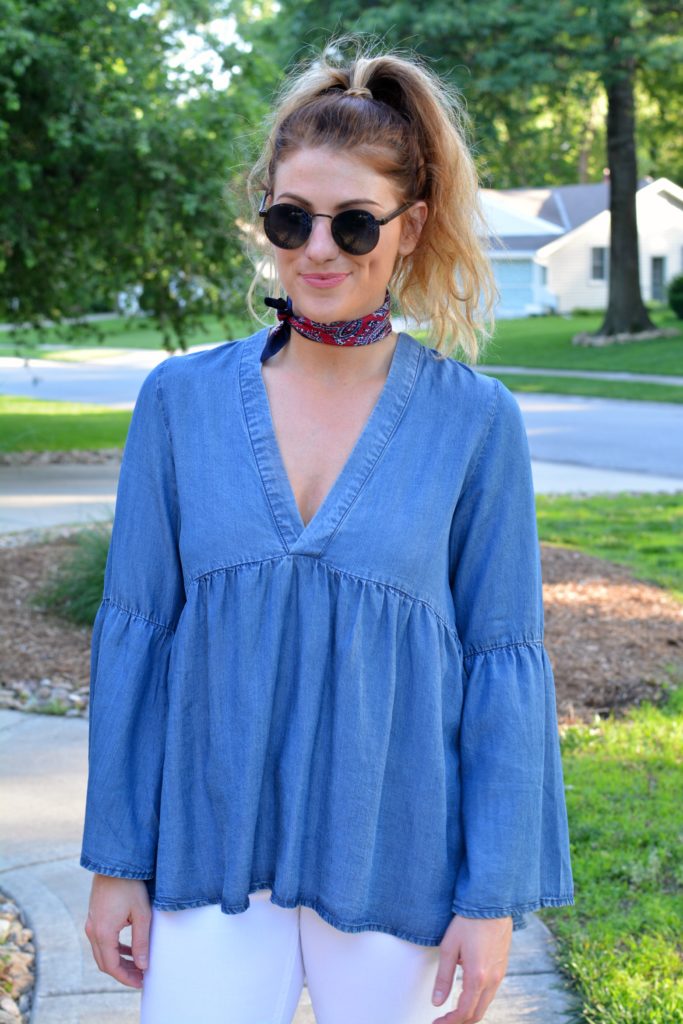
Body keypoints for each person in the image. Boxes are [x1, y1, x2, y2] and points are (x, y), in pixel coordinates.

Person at [80, 36, 574, 1024]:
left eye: (353, 224)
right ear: (263, 215)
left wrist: (490, 900)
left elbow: (501, 663)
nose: (315, 248)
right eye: (289, 217)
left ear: (409, 225)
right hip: (208, 855)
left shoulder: (475, 424)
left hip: (396, 857)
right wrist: (115, 861)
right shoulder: (178, 402)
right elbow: (135, 637)